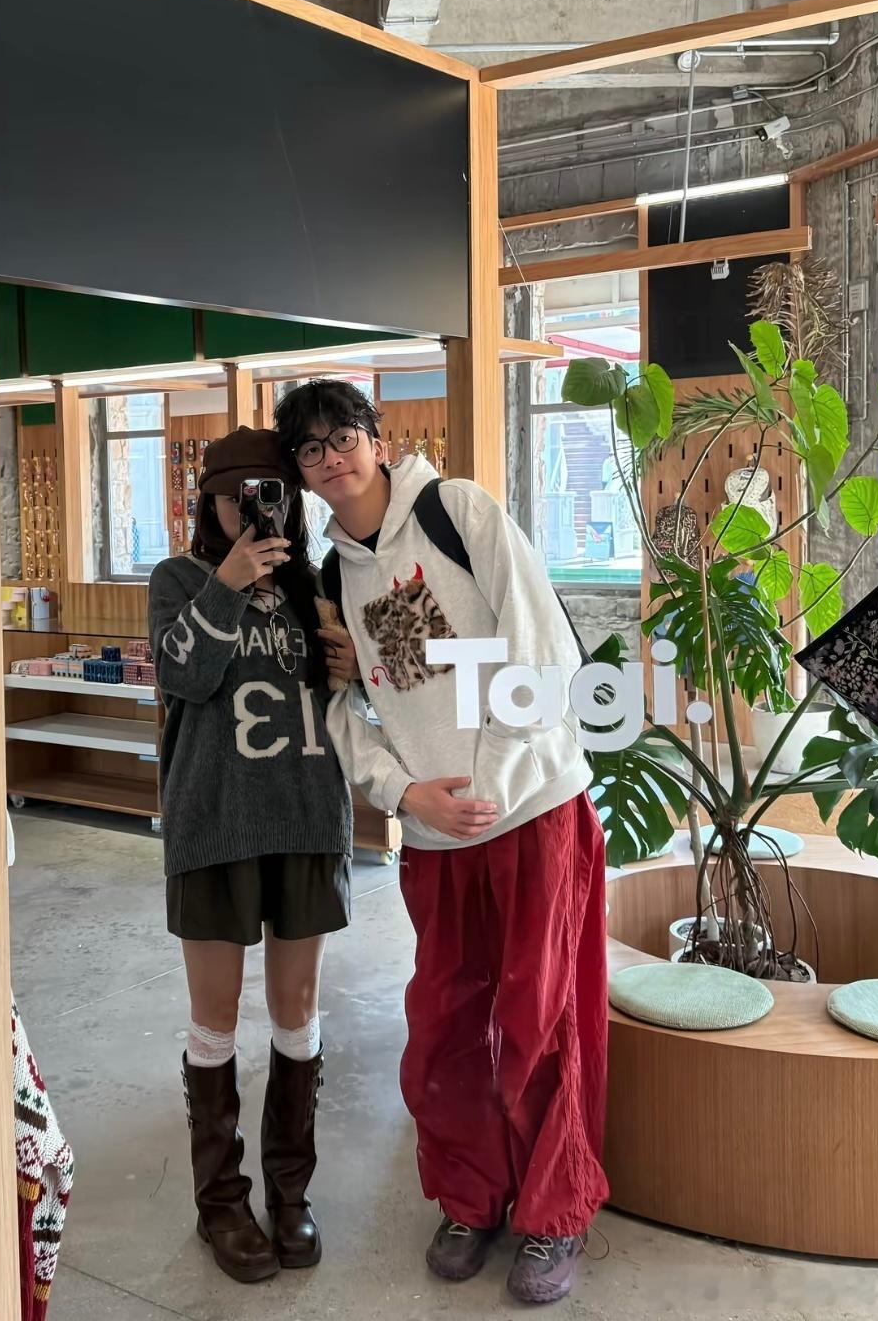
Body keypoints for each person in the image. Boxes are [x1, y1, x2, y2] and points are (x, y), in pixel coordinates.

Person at [274, 381, 608, 1307]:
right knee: (444, 1028)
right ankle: (471, 1200)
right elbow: (348, 709)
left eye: (344, 437)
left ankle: (555, 1213)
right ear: (300, 472)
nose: (332, 459)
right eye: (311, 450)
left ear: (377, 441)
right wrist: (405, 793)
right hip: (435, 833)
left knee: (542, 1019)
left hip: (533, 810)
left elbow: (543, 649)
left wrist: (489, 781)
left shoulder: (458, 512)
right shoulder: (334, 579)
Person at [148, 426, 354, 1286]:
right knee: (215, 1016)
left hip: (307, 818)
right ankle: (221, 1204)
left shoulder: (320, 583)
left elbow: (358, 692)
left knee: (298, 1012)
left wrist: (354, 663)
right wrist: (228, 584)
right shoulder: (180, 579)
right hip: (214, 821)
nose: (253, 509)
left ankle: (290, 1194)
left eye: (268, 494)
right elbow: (181, 677)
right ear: (212, 502)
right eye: (237, 497)